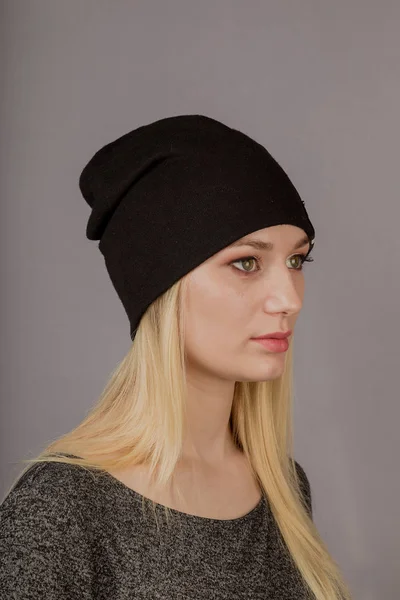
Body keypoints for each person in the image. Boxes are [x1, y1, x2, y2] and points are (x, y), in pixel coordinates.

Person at [0, 114, 352, 599]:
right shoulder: (62, 508)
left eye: (297, 260)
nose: (288, 298)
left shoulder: (284, 488)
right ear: (161, 289)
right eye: (246, 262)